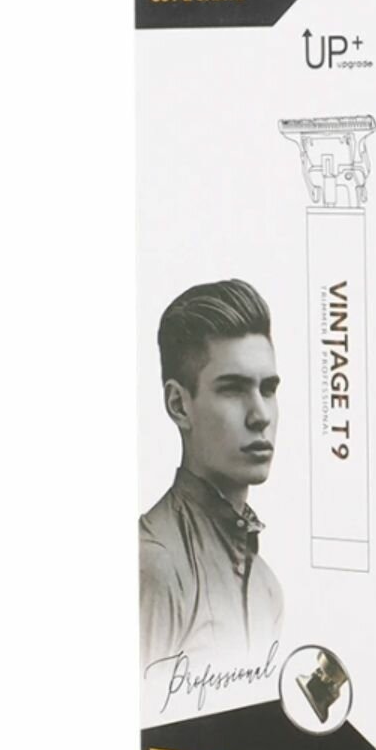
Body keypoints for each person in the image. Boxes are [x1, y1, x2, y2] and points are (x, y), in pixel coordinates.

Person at [140, 278, 284, 671]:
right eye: (233, 389)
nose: (261, 415)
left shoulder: (267, 588)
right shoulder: (156, 567)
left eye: (268, 389)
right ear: (178, 404)